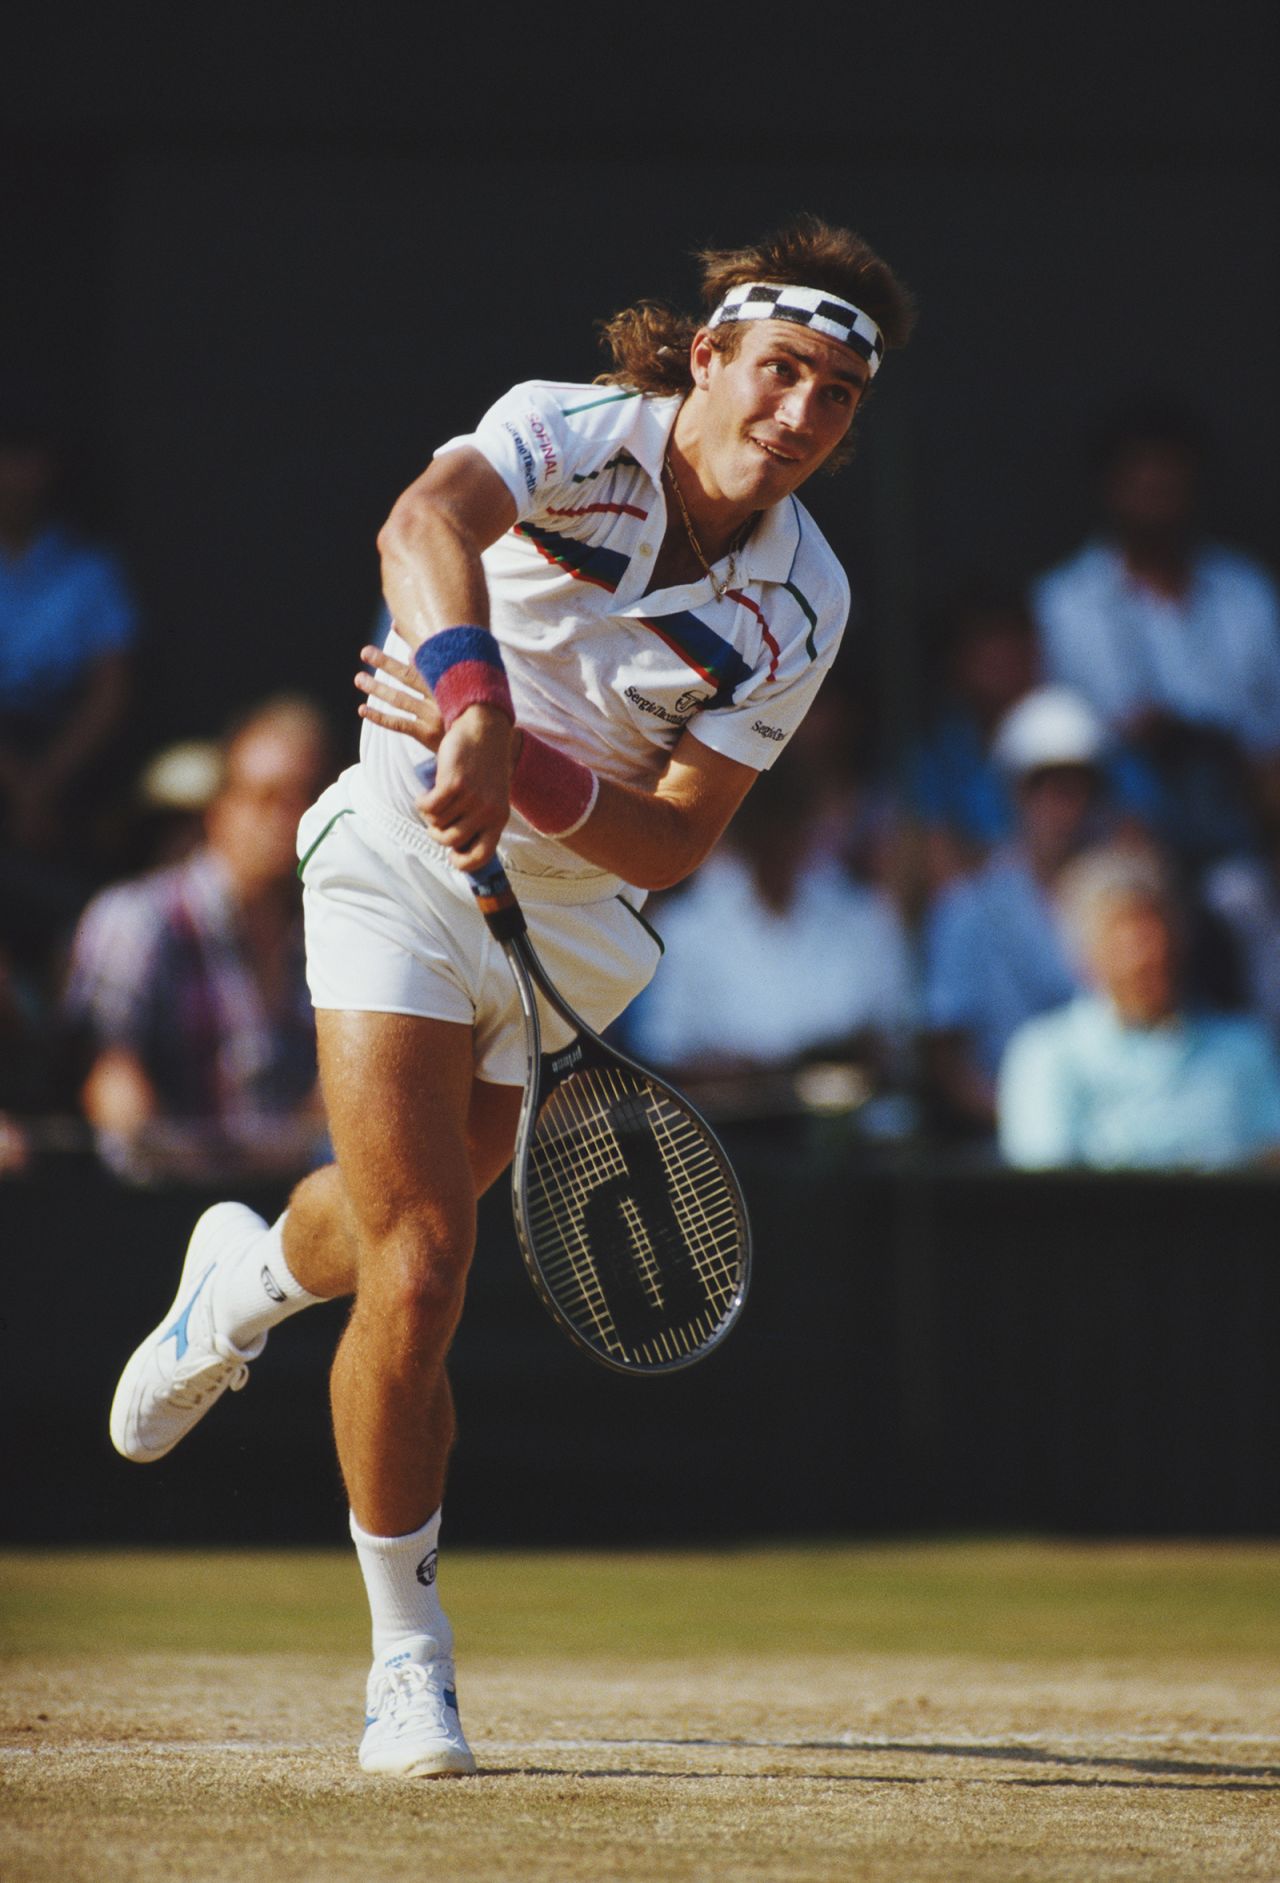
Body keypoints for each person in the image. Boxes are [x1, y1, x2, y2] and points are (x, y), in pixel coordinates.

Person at [106, 218, 916, 1779]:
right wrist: (471, 700)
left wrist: (531, 772)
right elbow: (424, 520)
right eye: (780, 372)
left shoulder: (805, 604)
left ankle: (249, 1281)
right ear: (709, 357)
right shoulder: (568, 428)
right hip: (402, 858)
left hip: (578, 923)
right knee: (420, 1265)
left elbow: (674, 835)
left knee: (384, 1232)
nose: (799, 418)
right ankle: (409, 1662)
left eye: (836, 399)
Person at [64, 697, 333, 1185]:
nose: (287, 820)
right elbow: (111, 1086)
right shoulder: (136, 920)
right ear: (219, 807)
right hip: (161, 1213)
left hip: (299, 1217)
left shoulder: (337, 933)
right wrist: (214, 1187)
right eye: (266, 796)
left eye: (307, 798)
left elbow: (337, 1098)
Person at [1031, 403, 1280, 867]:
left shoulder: (1247, 594)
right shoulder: (1063, 604)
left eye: (1169, 485)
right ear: (1110, 489)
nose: (1155, 500)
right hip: (1112, 841)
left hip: (1242, 833)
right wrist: (1132, 736)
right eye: (1141, 485)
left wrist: (1219, 747)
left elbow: (1269, 738)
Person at [998, 848, 1280, 1170]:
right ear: (1085, 953)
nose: (1150, 952)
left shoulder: (1244, 1048)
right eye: (1126, 935)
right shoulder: (1046, 1054)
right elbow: (1042, 1191)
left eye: (1159, 928)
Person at [920, 685, 1113, 1134]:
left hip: (1111, 1139)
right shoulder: (966, 908)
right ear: (1015, 793)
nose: (1063, 806)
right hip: (1003, 1143)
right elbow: (946, 1056)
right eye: (1043, 788)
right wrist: (1028, 1119)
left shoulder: (1123, 903)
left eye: (1079, 789)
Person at [0, 398, 141, 969]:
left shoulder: (90, 571)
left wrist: (49, 781)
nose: (13, 475)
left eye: (24, 458)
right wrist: (17, 784)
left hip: (73, 766)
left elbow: (112, 690)